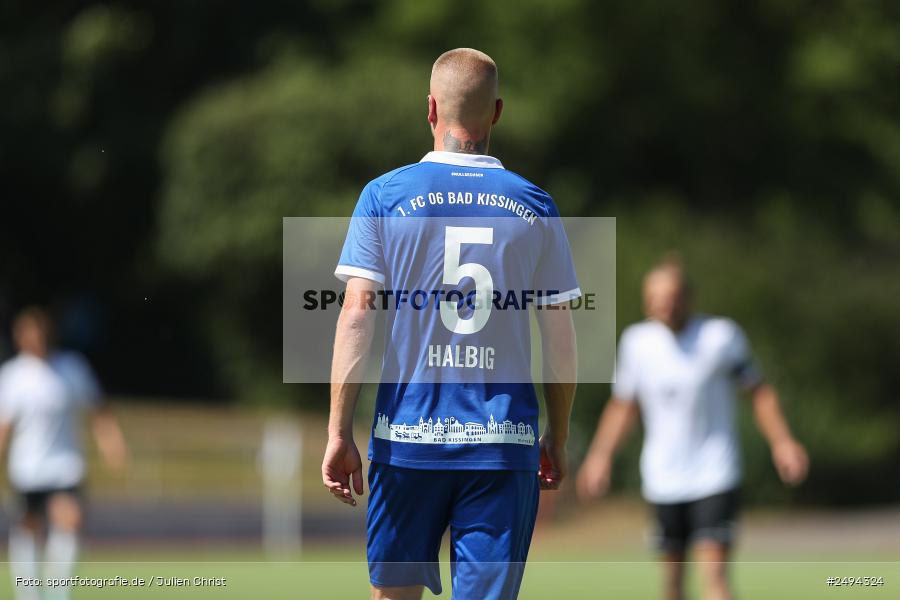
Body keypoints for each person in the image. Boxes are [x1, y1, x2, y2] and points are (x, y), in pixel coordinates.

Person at [322, 48, 580, 600]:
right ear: (497, 112)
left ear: (431, 109)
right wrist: (557, 435)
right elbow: (559, 335)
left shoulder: (384, 195)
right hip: (501, 439)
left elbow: (357, 314)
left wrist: (338, 433)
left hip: (407, 438)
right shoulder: (535, 205)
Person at [576, 256, 809, 600]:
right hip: (663, 478)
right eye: (655, 298)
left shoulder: (721, 337)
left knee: (714, 578)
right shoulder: (636, 343)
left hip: (715, 473)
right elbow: (624, 406)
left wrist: (783, 442)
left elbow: (758, 392)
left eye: (670, 297)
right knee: (672, 584)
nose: (663, 305)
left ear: (687, 297)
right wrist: (600, 456)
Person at [0, 307, 128, 600]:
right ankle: (29, 594)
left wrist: (112, 444)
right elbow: (3, 428)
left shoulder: (72, 368)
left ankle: (58, 594)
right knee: (28, 529)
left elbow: (98, 411)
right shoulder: (12, 376)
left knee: (68, 522)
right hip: (27, 469)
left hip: (65, 465)